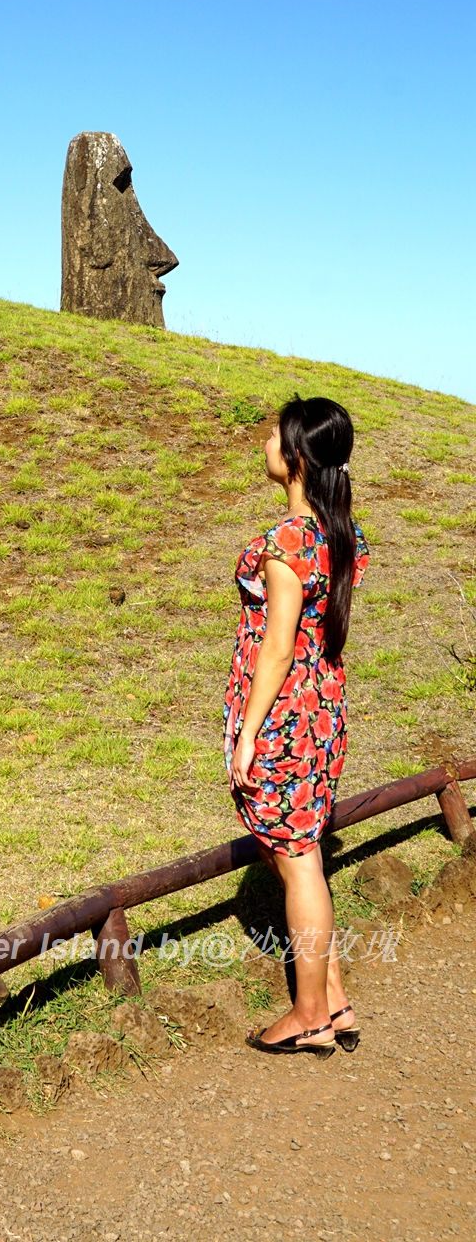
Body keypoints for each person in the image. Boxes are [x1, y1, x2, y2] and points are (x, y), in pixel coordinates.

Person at [223, 396, 369, 1056]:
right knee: (301, 848)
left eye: (274, 437)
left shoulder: (286, 544)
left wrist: (248, 733)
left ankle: (308, 1015)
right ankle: (332, 997)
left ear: (297, 460)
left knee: (299, 856)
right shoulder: (343, 536)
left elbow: (278, 646)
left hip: (281, 715)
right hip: (324, 710)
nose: (265, 444)